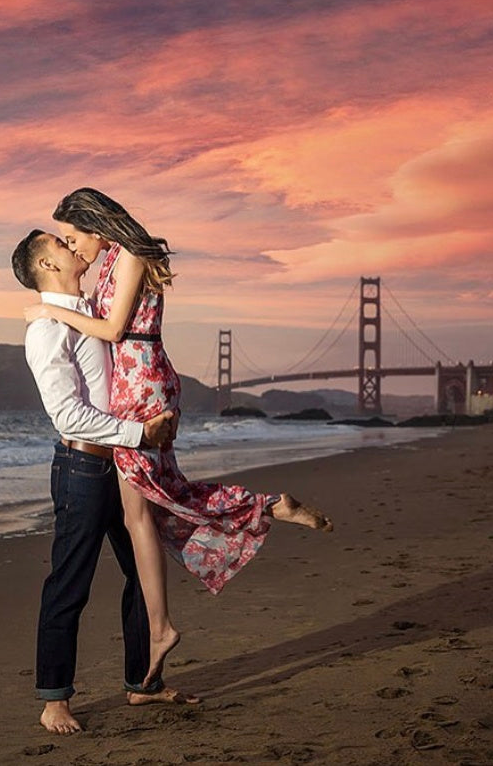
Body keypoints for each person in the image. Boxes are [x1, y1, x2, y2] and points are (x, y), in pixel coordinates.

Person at [25, 187, 334, 688]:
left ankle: (163, 626)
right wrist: (54, 305)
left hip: (141, 381)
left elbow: (110, 329)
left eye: (72, 235)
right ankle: (266, 510)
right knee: (157, 501)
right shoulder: (108, 261)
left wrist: (49, 311)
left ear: (95, 225)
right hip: (134, 381)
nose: (72, 245)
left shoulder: (129, 255)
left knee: (143, 510)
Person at [11, 229, 198, 735]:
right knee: (70, 583)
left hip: (122, 464)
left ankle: (144, 684)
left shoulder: (89, 312)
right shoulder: (48, 331)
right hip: (83, 468)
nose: (72, 247)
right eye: (59, 244)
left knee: (143, 571)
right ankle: (54, 699)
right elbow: (68, 414)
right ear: (46, 265)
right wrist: (140, 432)